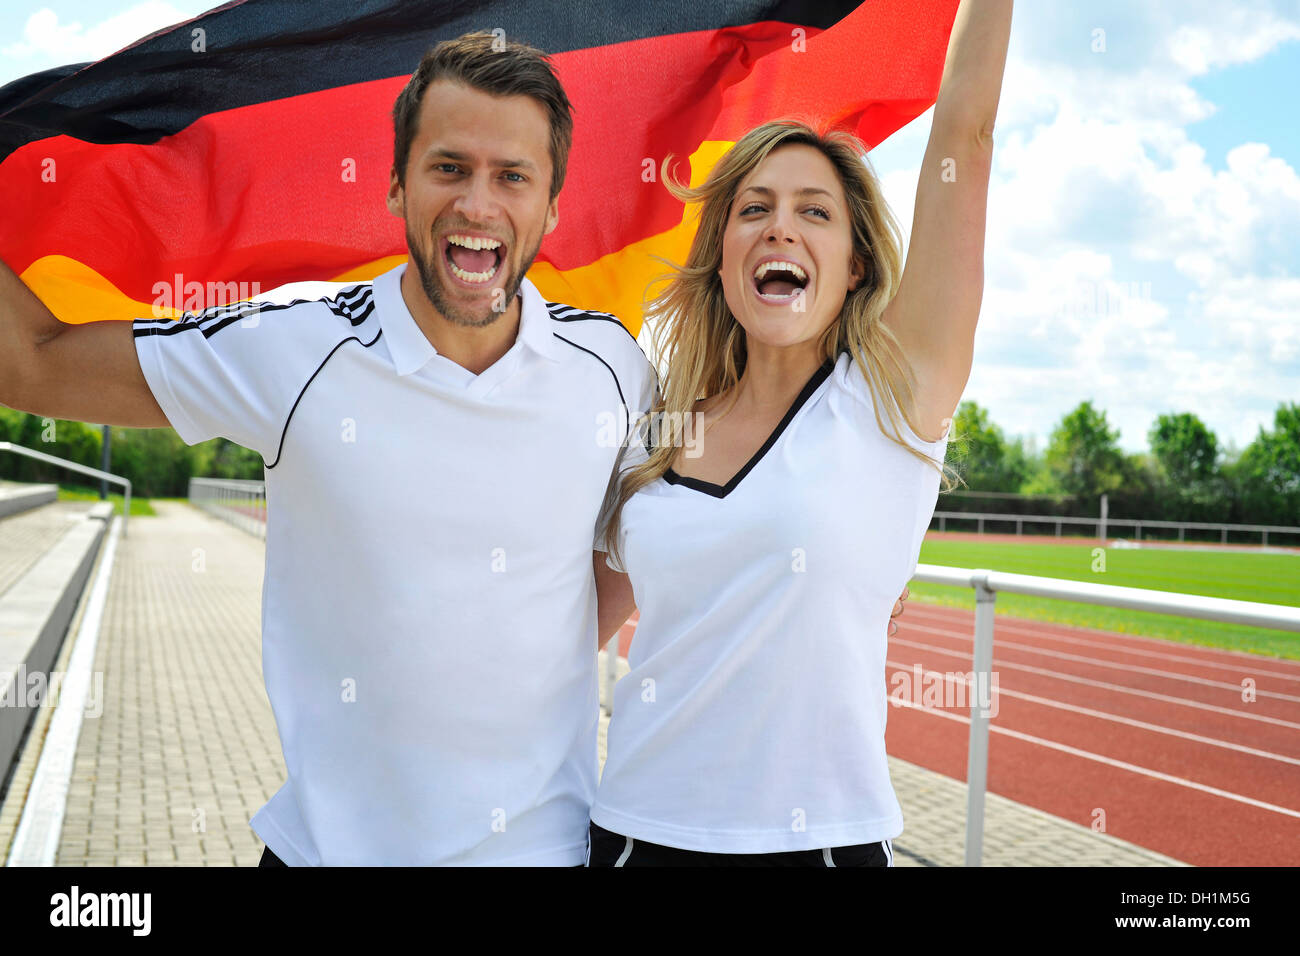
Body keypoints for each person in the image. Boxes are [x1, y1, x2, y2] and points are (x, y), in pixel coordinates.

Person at [0, 31, 664, 867]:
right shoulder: (294, 350)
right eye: (449, 167)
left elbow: (650, 538)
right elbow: (32, 364)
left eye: (512, 176)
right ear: (395, 185)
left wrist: (533, 649)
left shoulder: (613, 369)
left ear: (553, 207)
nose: (477, 203)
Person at [587, 0, 1012, 866]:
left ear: (855, 266)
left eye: (815, 211)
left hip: (821, 846)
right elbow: (568, 636)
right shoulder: (656, 432)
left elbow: (963, 142)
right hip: (631, 837)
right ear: (723, 253)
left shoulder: (892, 402)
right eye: (755, 208)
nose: (781, 225)